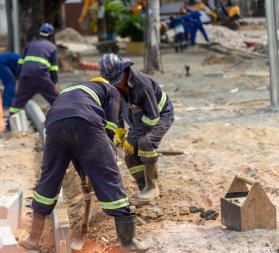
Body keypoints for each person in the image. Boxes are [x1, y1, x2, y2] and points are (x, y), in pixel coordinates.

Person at [20, 76, 152, 252]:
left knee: (50, 177)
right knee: (108, 177)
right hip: (85, 122)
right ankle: (129, 242)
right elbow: (110, 128)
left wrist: (85, 171)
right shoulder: (112, 90)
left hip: (53, 125)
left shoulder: (74, 89)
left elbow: (75, 147)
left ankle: (33, 239)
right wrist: (105, 157)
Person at [99, 54, 174, 206]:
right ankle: (143, 187)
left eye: (118, 80)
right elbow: (118, 109)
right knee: (130, 154)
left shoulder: (142, 85)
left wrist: (132, 137)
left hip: (160, 115)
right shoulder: (115, 86)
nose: (117, 85)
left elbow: (153, 118)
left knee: (145, 143)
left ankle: (152, 186)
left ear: (124, 71)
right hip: (139, 119)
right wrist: (119, 130)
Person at [7, 23, 59, 126]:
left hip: (26, 76)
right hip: (41, 77)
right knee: (57, 100)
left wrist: (18, 78)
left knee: (18, 101)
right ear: (51, 35)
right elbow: (53, 68)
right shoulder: (52, 48)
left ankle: (9, 125)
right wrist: (54, 83)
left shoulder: (30, 44)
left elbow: (21, 62)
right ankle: (62, 121)